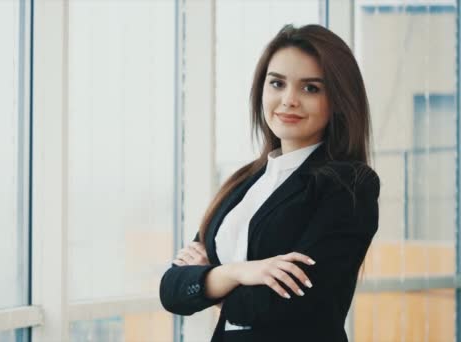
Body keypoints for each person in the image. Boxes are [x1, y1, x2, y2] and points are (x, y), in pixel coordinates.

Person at [159, 24, 380, 342]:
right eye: (277, 83)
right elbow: (172, 289)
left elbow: (292, 304)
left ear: (338, 101)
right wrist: (239, 272)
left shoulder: (350, 185)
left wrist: (211, 284)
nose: (288, 100)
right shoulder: (245, 183)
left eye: (311, 88)